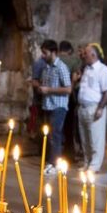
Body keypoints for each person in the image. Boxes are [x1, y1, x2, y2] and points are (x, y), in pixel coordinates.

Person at [33, 39, 72, 175]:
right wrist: (40, 88)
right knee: (49, 135)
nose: (43, 56)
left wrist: (48, 90)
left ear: (53, 52)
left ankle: (54, 163)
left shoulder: (61, 67)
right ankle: (51, 160)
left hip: (58, 106)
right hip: (47, 105)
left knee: (55, 135)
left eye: (45, 53)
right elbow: (44, 84)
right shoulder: (46, 67)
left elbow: (68, 89)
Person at [76, 42, 107, 172]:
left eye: (86, 53)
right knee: (85, 138)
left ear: (93, 54)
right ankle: (87, 161)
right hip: (83, 107)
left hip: (95, 107)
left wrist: (100, 108)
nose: (83, 55)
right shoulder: (86, 68)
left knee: (95, 138)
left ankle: (95, 165)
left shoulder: (103, 70)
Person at [59, 40, 81, 160]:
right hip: (68, 96)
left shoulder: (55, 60)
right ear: (69, 50)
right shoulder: (73, 61)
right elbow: (74, 77)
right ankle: (68, 153)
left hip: (55, 96)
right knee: (69, 126)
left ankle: (54, 154)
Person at [27, 49, 47, 138]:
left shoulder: (43, 63)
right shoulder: (40, 64)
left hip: (42, 99)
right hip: (40, 99)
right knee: (38, 119)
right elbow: (34, 82)